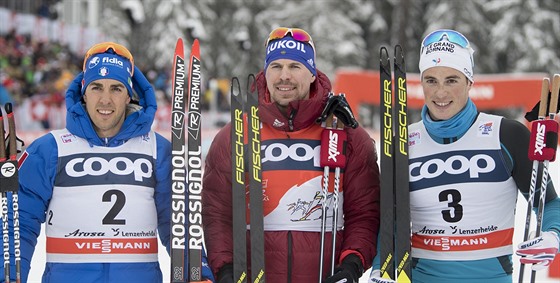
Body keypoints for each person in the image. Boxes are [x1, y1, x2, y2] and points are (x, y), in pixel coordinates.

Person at [2, 42, 214, 283]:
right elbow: (17, 222)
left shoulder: (158, 150)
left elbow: (180, 223)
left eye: (116, 88)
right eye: (96, 87)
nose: (105, 100)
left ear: (128, 95)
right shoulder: (50, 149)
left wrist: (198, 273)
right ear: (83, 91)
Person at [369, 29, 560, 283]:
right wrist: (379, 269)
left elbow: (548, 203)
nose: (440, 93)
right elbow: (390, 221)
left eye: (451, 80)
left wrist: (553, 234)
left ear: (470, 82)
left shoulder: (506, 135)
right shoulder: (403, 142)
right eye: (431, 80)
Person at [202, 27, 380, 282]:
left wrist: (352, 263)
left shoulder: (346, 134)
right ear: (266, 72)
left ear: (311, 74)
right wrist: (227, 269)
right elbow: (217, 213)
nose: (284, 76)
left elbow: (364, 212)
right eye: (276, 66)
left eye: (295, 66)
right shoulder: (235, 135)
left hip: (324, 275)